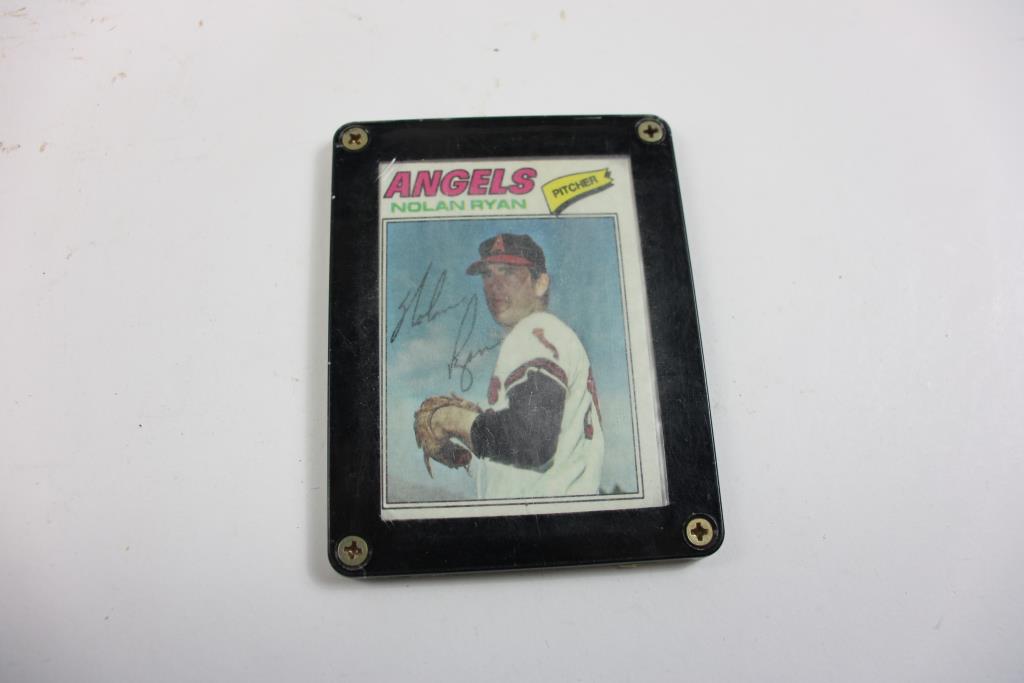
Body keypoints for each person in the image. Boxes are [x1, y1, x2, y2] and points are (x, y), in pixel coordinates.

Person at [430, 233, 605, 498]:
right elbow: (524, 446)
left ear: (540, 283)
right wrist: (475, 429)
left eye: (508, 272)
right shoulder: (552, 338)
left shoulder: (537, 329)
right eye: (487, 274)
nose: (494, 285)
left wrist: (451, 419)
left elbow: (533, 440)